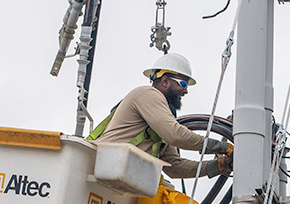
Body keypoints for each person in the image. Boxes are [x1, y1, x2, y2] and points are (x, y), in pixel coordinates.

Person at [89, 53, 233, 183]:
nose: (185, 90)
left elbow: (174, 166)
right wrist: (221, 146)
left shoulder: (160, 118)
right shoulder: (148, 94)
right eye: (183, 84)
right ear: (165, 81)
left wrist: (220, 165)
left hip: (118, 175)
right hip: (99, 168)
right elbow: (175, 135)